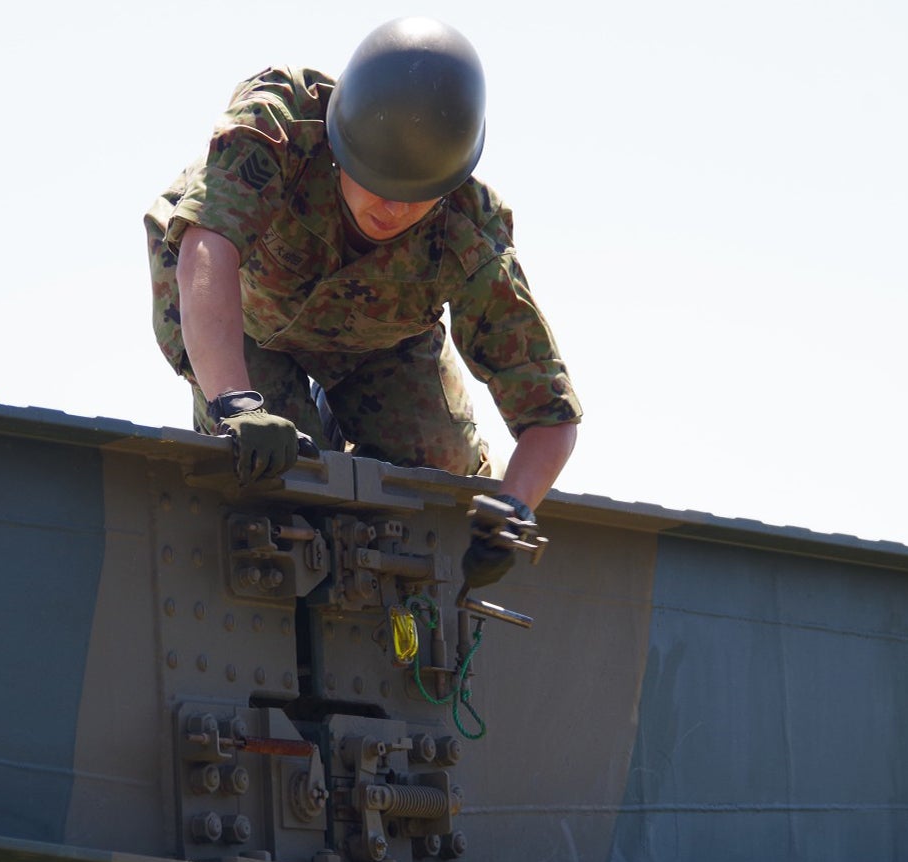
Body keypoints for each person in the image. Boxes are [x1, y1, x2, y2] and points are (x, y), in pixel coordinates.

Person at [144, 16, 581, 589]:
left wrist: (515, 509)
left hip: (379, 341)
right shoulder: (282, 120)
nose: (395, 210)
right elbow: (210, 246)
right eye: (378, 182)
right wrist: (233, 400)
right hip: (238, 314)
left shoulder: (470, 228)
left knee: (441, 474)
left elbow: (549, 412)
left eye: (417, 195)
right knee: (279, 472)